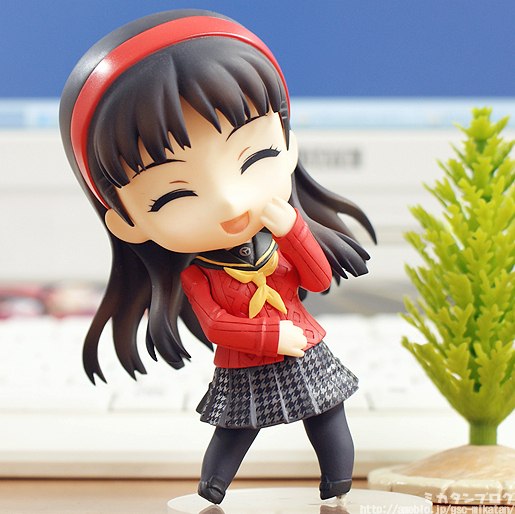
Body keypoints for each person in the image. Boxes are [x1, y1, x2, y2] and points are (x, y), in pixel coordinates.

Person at [59, 9, 376, 504]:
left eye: (256, 157)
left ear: (289, 148)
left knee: (328, 411)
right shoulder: (199, 276)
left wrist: (294, 231)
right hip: (247, 358)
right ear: (126, 221)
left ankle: (337, 484)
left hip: (304, 345)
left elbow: (315, 280)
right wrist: (272, 335)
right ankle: (212, 488)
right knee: (236, 428)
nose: (229, 203)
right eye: (174, 194)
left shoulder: (279, 241)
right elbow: (217, 326)